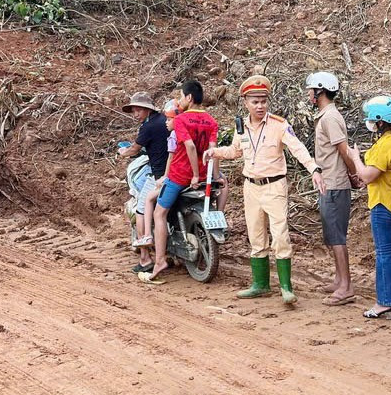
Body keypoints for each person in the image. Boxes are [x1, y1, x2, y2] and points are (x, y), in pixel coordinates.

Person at [204, 75, 325, 303]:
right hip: (251, 187)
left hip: (274, 186)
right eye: (255, 102)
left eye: (263, 101)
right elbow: (235, 151)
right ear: (245, 103)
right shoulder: (241, 127)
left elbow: (297, 148)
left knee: (280, 235)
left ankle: (286, 287)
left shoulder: (279, 125)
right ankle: (260, 284)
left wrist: (314, 169)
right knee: (256, 235)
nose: (260, 106)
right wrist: (215, 152)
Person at [139, 80, 218, 283]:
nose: (180, 100)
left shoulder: (182, 119)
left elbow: (189, 146)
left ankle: (159, 261)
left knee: (159, 213)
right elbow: (213, 151)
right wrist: (214, 175)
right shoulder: (211, 120)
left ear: (189, 98)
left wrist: (193, 174)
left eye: (182, 96)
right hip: (205, 175)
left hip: (181, 175)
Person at [347, 95, 391, 320]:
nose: (369, 123)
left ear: (380, 121)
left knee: (384, 252)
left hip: (384, 204)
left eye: (371, 119)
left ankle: (385, 301)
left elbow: (367, 175)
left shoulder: (385, 144)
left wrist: (355, 158)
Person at [307, 72, 358, 306]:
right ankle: (339, 280)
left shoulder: (330, 118)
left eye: (311, 90)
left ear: (320, 91)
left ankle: (346, 286)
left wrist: (354, 174)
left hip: (335, 183)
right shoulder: (326, 116)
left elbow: (344, 151)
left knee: (337, 237)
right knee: (332, 233)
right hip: (329, 181)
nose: (309, 94)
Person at [118, 92, 170, 273]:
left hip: (159, 174)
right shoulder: (165, 120)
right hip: (175, 171)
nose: (136, 114)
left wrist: (123, 153)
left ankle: (145, 257)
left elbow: (134, 149)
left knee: (141, 208)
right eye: (134, 111)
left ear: (147, 109)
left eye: (138, 110)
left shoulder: (148, 127)